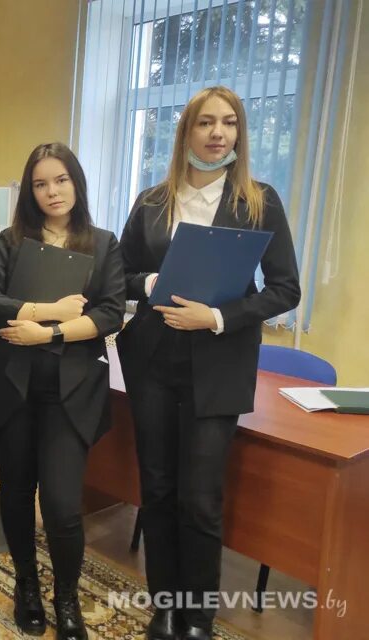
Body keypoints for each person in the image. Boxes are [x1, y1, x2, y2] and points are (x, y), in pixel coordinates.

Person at [116, 86, 301, 640]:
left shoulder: (258, 201)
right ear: (186, 132)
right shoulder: (152, 201)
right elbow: (117, 275)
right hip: (152, 361)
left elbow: (285, 288)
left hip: (218, 365)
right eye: (205, 122)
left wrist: (218, 317)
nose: (218, 132)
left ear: (240, 132)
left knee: (199, 497)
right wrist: (149, 282)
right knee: (158, 488)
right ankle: (165, 607)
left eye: (229, 122)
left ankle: (197, 617)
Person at [0, 143, 126, 640]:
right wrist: (47, 311)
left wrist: (49, 334)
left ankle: (66, 597)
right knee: (17, 494)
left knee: (61, 505)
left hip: (70, 393)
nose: (52, 191)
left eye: (61, 180)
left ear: (76, 182)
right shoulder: (13, 241)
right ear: (29, 192)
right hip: (13, 388)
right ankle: (27, 586)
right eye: (40, 184)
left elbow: (110, 314)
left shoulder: (103, 243)